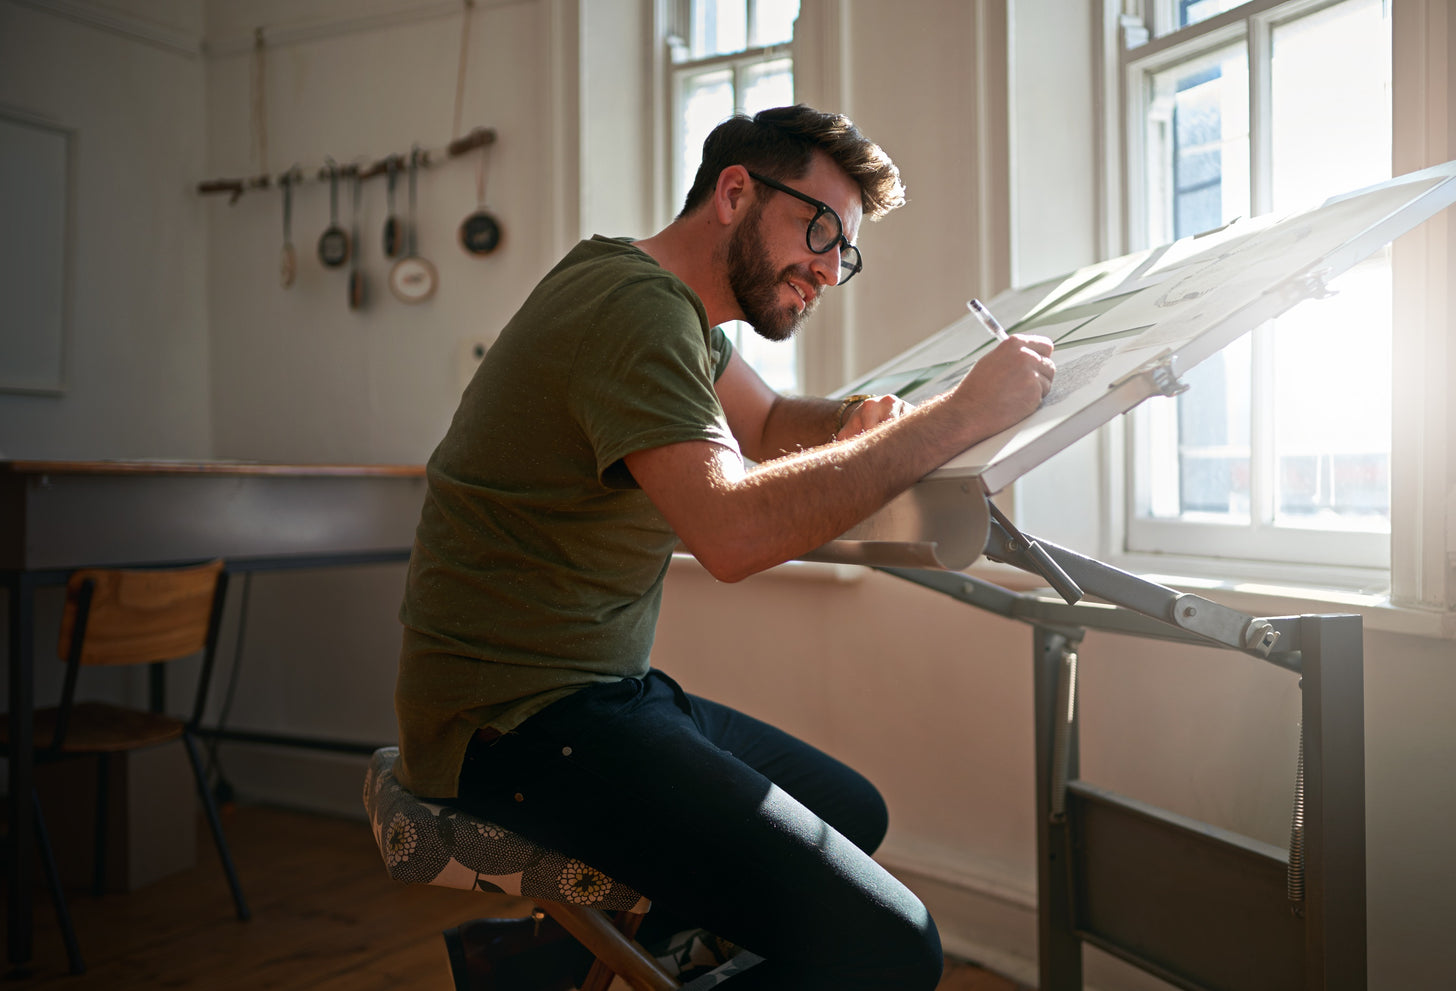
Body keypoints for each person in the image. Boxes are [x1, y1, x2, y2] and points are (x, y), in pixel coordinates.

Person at [393, 104, 1055, 991]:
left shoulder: (670, 312)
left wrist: (860, 422)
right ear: (735, 192)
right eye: (818, 228)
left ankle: (531, 967)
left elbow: (776, 422)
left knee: (851, 809)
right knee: (894, 949)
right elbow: (733, 532)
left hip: (589, 693)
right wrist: (960, 416)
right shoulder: (636, 312)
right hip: (512, 723)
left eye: (843, 250)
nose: (827, 267)